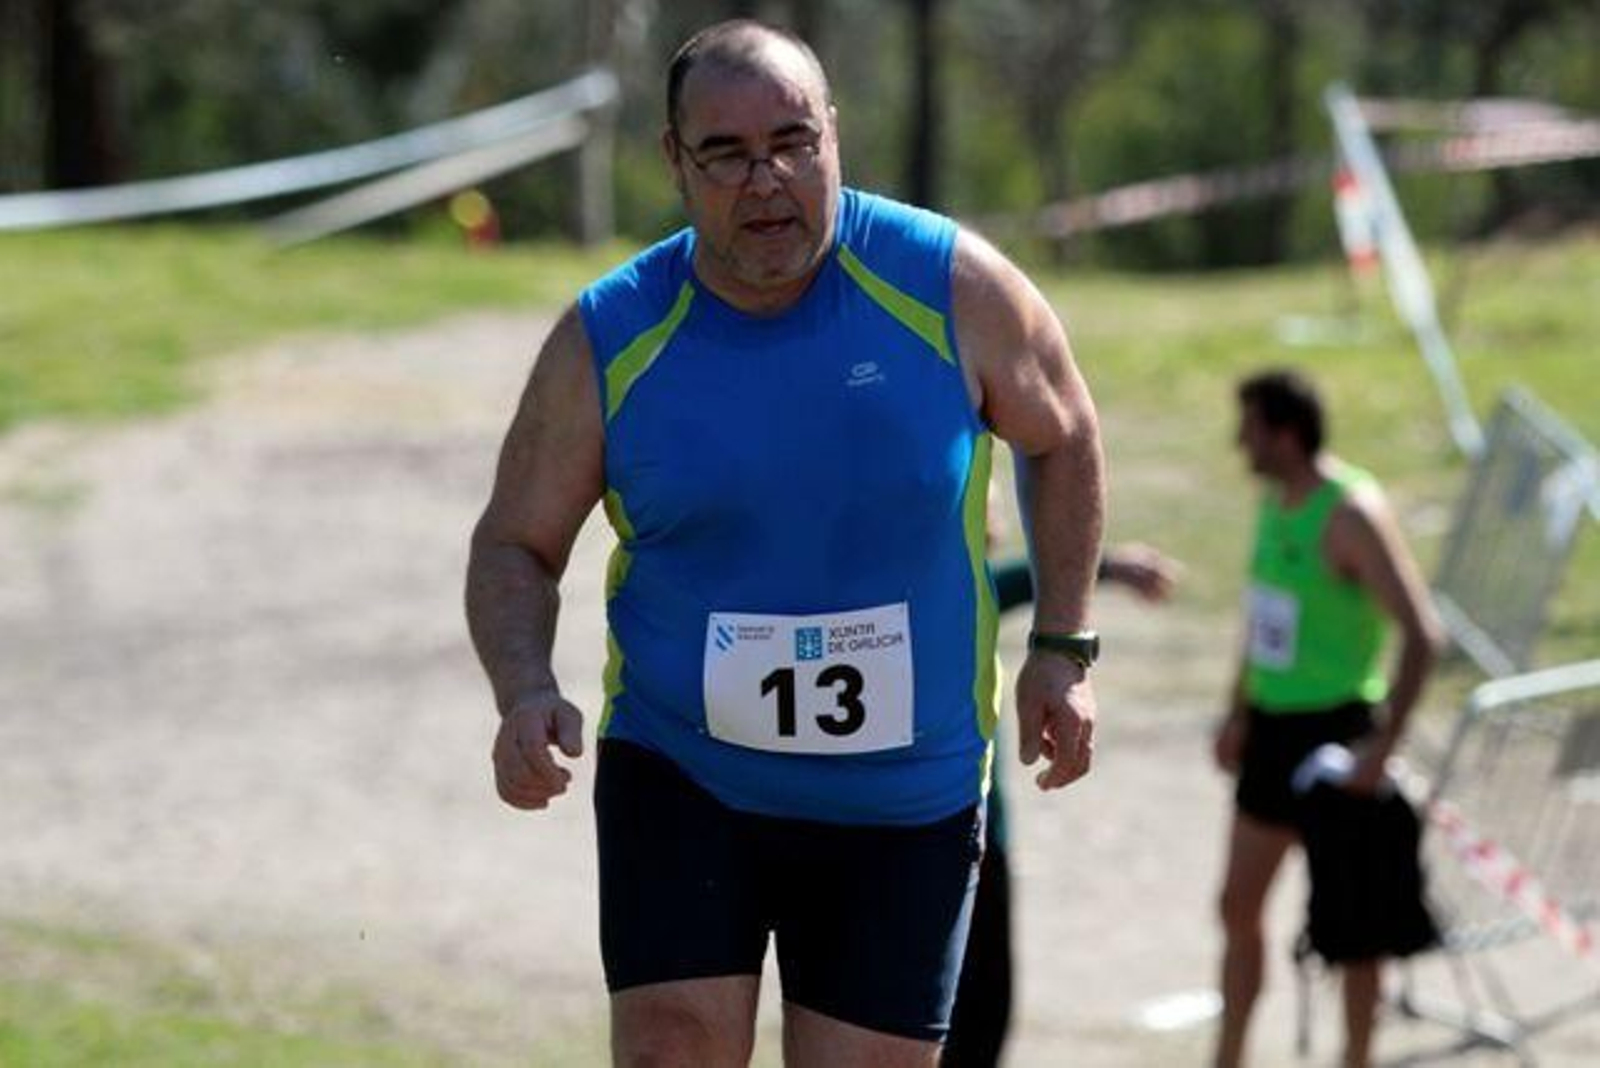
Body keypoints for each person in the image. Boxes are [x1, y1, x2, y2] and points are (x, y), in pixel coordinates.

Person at [464, 19, 1105, 1067]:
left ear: (834, 139)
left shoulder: (950, 288)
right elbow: (515, 543)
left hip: (905, 795)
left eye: (793, 142)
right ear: (674, 161)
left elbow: (1064, 432)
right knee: (671, 1051)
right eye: (726, 153)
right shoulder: (611, 337)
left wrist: (1063, 647)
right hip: (683, 770)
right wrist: (523, 686)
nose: (767, 180)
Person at [1211, 369, 1442, 1068]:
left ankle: (1356, 1059)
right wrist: (1237, 710)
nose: (1238, 442)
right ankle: (1227, 1056)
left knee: (1353, 930)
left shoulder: (1350, 512)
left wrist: (1382, 745)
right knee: (1236, 908)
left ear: (1285, 433)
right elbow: (1263, 620)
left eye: (1249, 428)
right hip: (1273, 734)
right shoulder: (1276, 503)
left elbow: (1422, 634)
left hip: (1338, 736)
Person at [945, 544, 1179, 1068]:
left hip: (982, 833)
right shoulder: (951, 578)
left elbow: (1023, 577)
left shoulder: (960, 580)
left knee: (983, 1005)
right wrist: (1113, 566)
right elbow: (1022, 574)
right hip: (962, 829)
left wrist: (1112, 566)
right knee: (971, 1007)